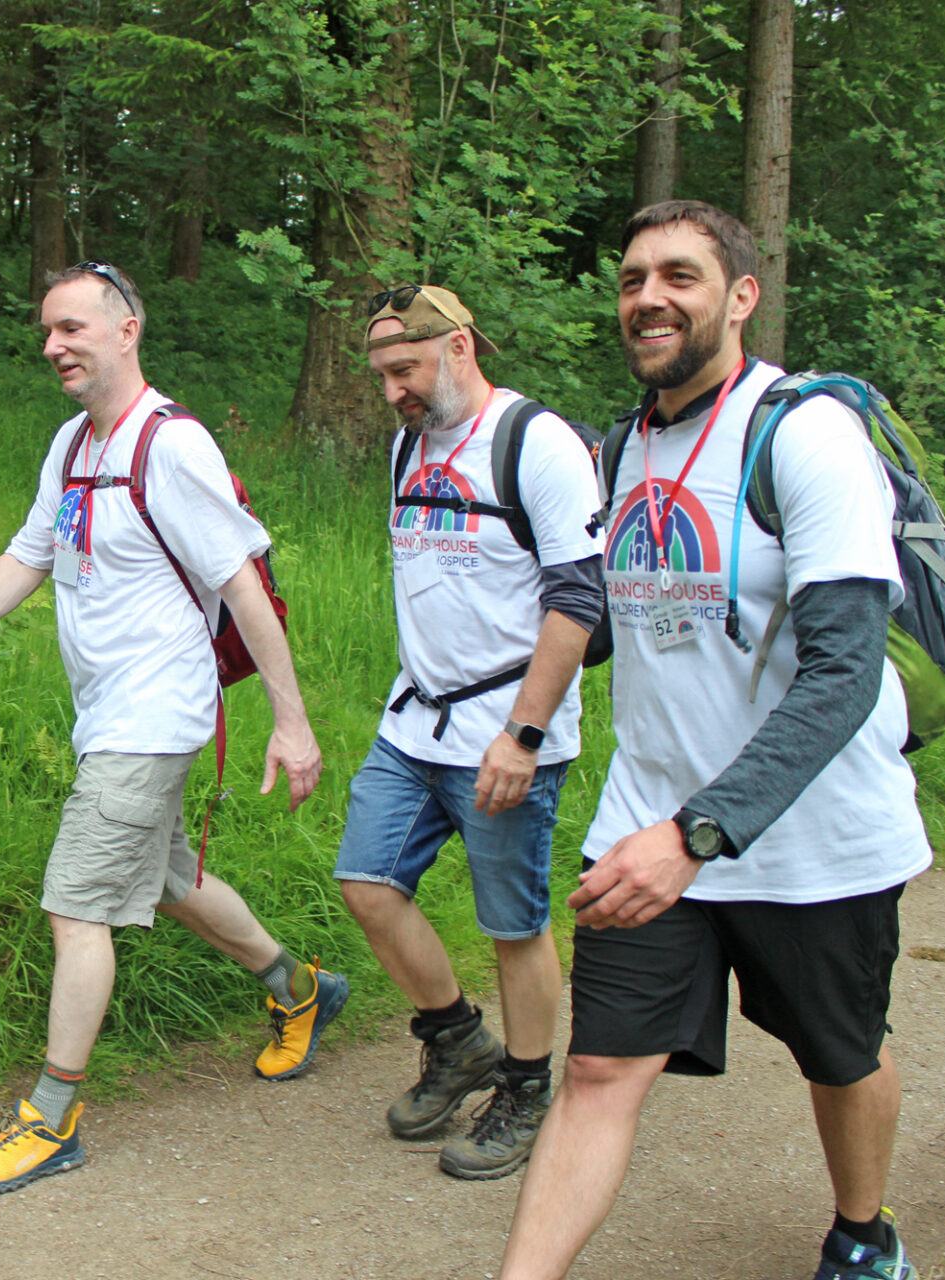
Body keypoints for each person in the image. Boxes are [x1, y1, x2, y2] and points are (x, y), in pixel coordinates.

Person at [499, 201, 929, 1280]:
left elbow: (845, 670)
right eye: (635, 277)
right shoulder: (624, 443)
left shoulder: (806, 434)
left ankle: (863, 1229)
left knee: (841, 1053)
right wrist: (513, 711)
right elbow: (623, 617)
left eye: (681, 275)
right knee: (598, 1067)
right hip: (648, 826)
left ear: (740, 296)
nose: (650, 296)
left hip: (813, 836)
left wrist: (698, 833)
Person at [0, 261, 343, 1195]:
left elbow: (243, 587)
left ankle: (50, 1121)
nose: (54, 346)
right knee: (170, 880)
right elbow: (31, 555)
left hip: (156, 713)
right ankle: (301, 989)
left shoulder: (172, 446)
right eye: (48, 332)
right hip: (107, 715)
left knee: (78, 905)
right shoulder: (71, 445)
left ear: (127, 330)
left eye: (73, 329)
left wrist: (291, 723)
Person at [337, 285, 604, 1181]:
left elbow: (578, 598)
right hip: (415, 722)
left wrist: (522, 736)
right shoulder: (407, 445)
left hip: (507, 732)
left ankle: (528, 1089)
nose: (392, 393)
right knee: (367, 882)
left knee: (513, 924)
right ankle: (458, 1042)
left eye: (404, 371)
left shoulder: (539, 444)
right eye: (380, 376)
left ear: (459, 348)